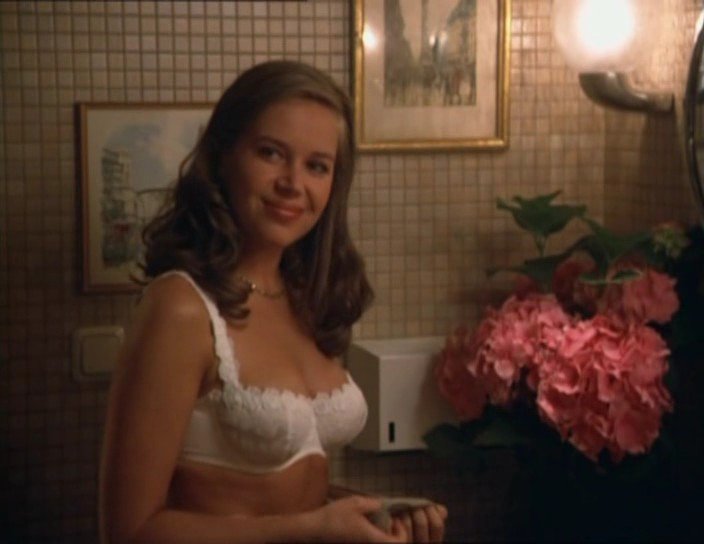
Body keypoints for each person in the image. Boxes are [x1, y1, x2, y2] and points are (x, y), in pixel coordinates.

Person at [99, 60, 448, 543]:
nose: (292, 183)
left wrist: (371, 512)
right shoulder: (181, 307)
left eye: (317, 166)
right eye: (271, 153)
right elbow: (128, 532)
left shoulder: (308, 296)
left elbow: (277, 496)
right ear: (223, 156)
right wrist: (314, 528)